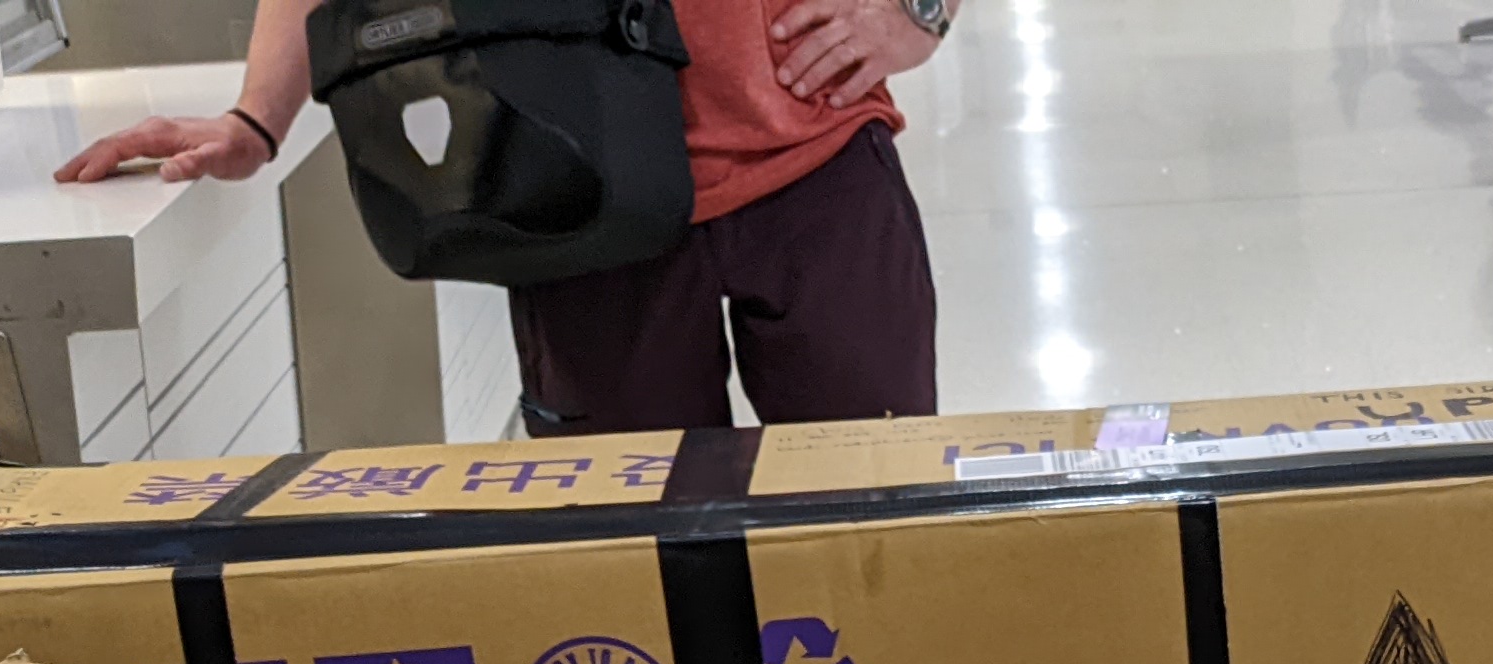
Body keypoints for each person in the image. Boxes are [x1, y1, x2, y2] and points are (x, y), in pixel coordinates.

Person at [55, 0, 944, 432]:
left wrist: (922, 12)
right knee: (634, 557)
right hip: (576, 181)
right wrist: (258, 115)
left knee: (880, 511)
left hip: (816, 147)